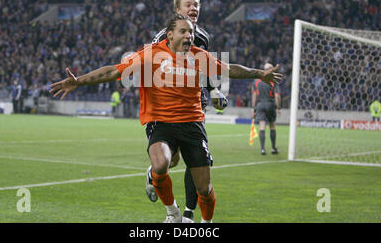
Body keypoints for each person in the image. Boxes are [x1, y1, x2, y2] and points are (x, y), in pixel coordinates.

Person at [49, 15, 283, 222]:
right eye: (183, 31)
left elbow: (229, 69)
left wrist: (259, 73)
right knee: (161, 164)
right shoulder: (151, 54)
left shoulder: (199, 56)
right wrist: (79, 81)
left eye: (191, 32)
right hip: (161, 123)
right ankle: (173, 212)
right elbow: (114, 71)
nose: (189, 36)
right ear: (169, 35)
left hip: (192, 124)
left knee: (204, 188)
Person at [148, 0, 228, 223]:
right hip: (167, 105)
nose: (193, 9)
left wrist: (213, 90)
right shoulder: (163, 36)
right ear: (177, 11)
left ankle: (188, 214)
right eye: (188, 5)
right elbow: (152, 64)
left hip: (193, 103)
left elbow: (206, 67)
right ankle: (157, 181)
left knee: (195, 159)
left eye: (196, 5)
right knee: (170, 160)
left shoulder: (202, 36)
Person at [251, 63, 281, 155]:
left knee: (262, 126)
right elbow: (277, 96)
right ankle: (273, 148)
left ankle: (263, 149)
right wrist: (279, 107)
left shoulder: (256, 81)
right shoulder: (273, 80)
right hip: (270, 104)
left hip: (260, 105)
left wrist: (253, 108)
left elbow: (254, 95)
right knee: (272, 125)